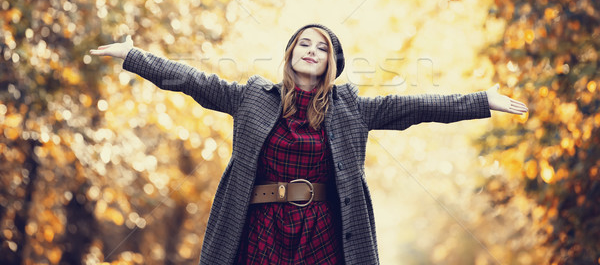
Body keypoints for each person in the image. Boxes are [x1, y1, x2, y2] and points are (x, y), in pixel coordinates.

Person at [90, 24, 528, 265]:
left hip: (322, 231)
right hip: (259, 229)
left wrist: (481, 101)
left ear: (330, 64)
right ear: (291, 53)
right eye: (304, 43)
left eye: (322, 48)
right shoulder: (251, 98)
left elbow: (413, 107)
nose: (312, 50)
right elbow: (191, 80)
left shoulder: (350, 108)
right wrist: (133, 56)